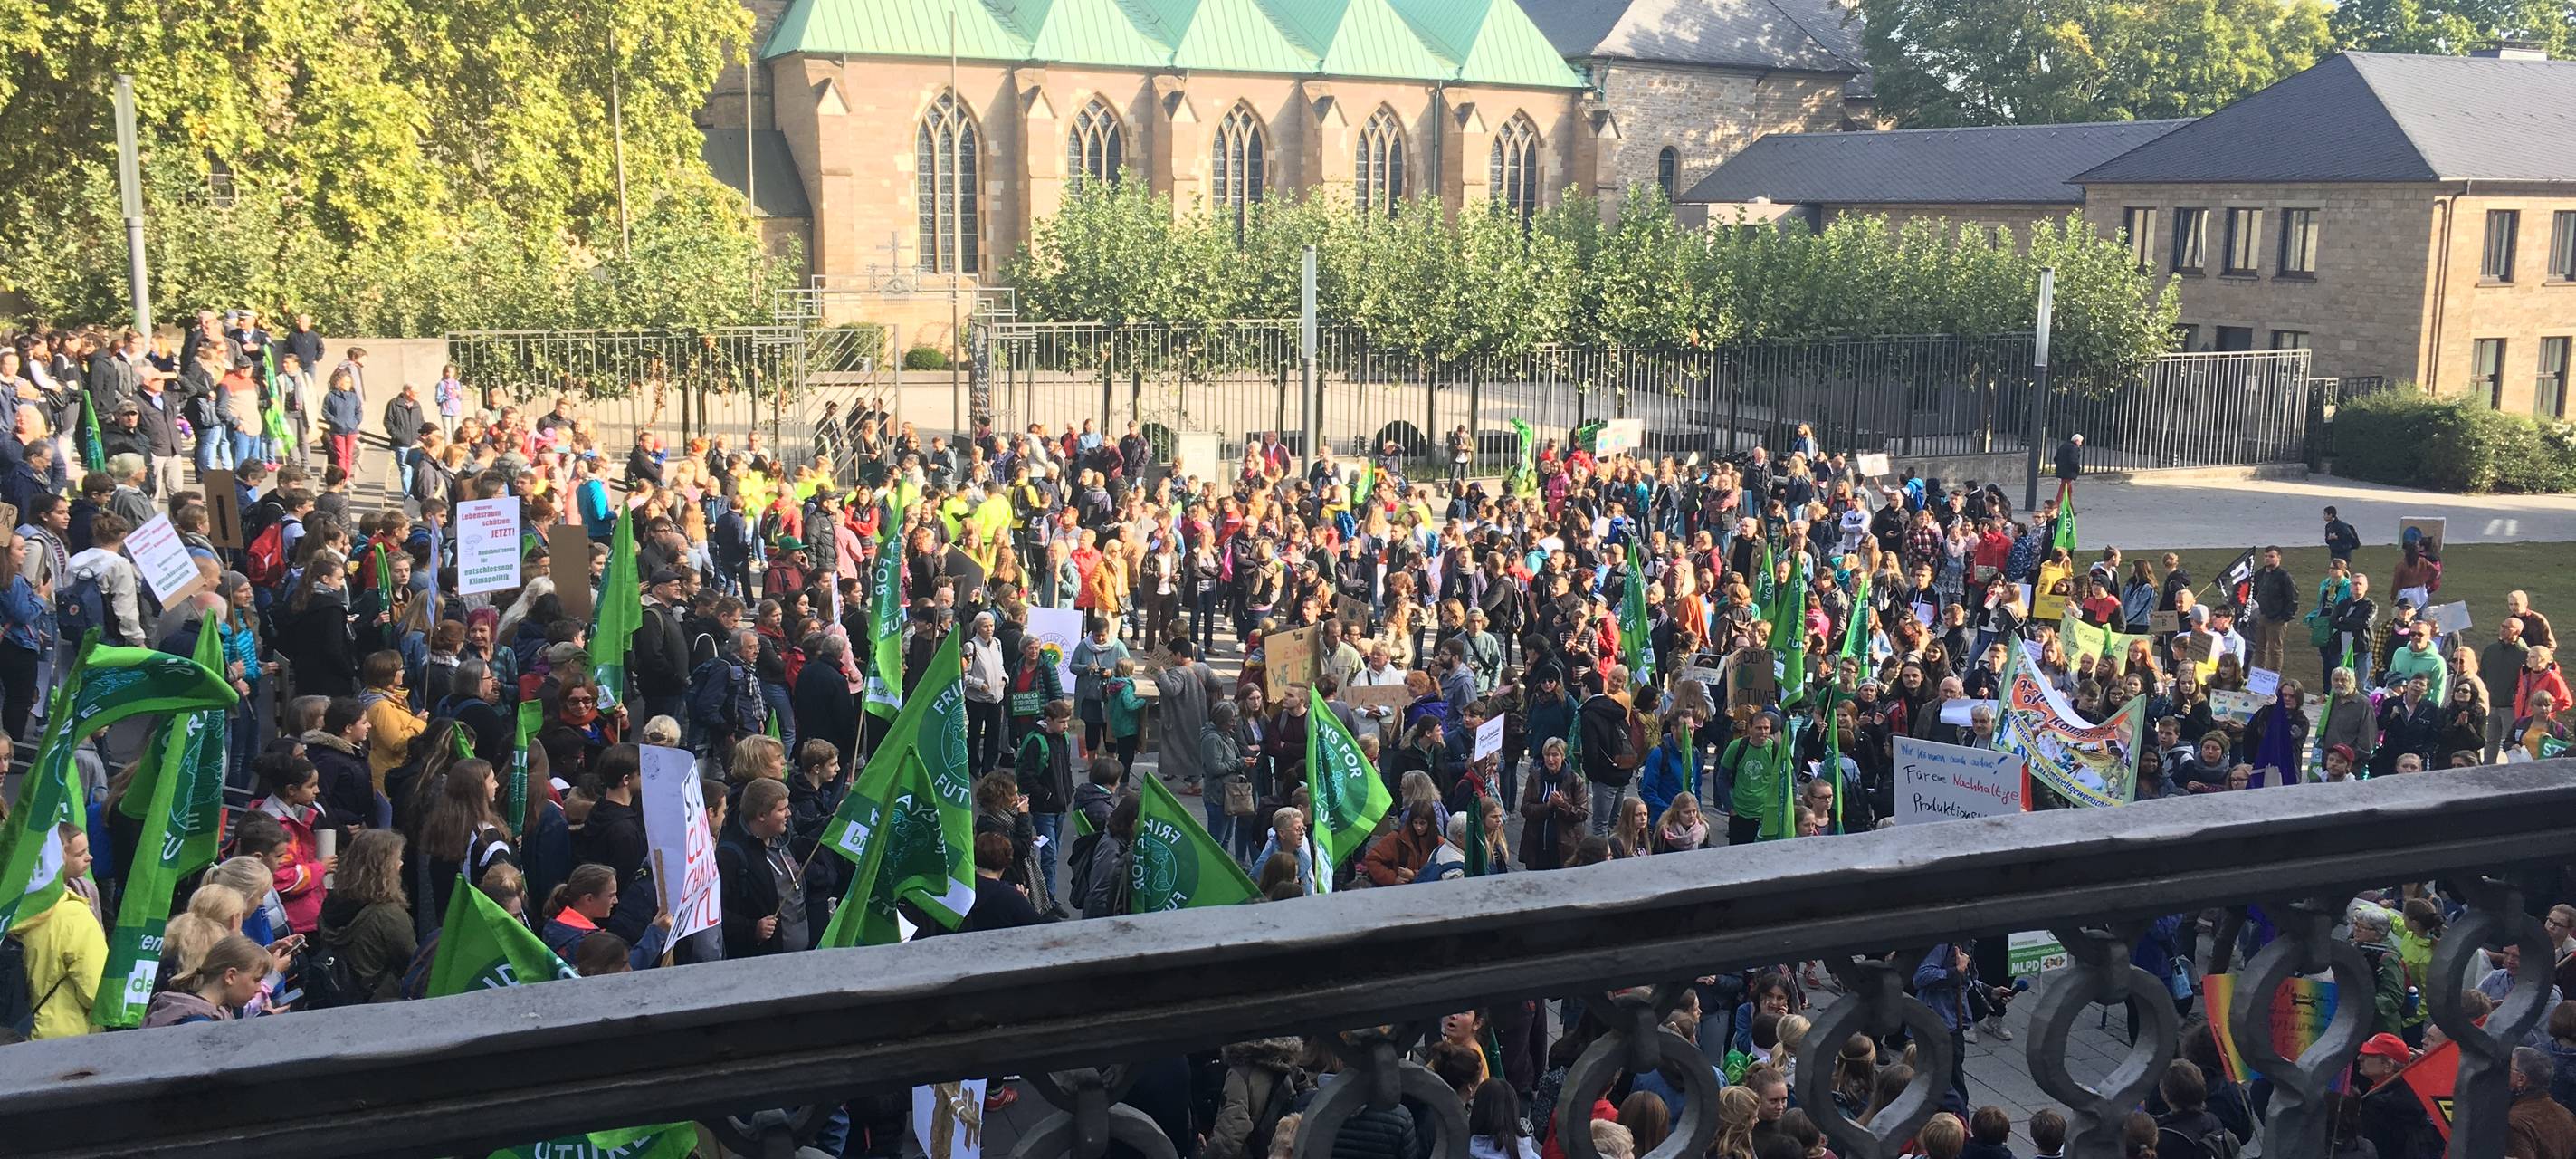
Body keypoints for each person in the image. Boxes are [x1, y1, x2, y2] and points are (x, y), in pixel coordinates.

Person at [315, 829, 421, 1003]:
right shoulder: (389, 915)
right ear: (383, 867)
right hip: (381, 999)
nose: (401, 863)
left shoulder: (331, 902)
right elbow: (412, 961)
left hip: (341, 992)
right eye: (396, 859)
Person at [20, 825, 105, 1039]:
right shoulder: (73, 916)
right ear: (57, 860)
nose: (90, 858)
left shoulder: (12, 910)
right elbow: (96, 992)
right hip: (66, 1040)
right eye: (79, 853)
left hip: (16, 1035)